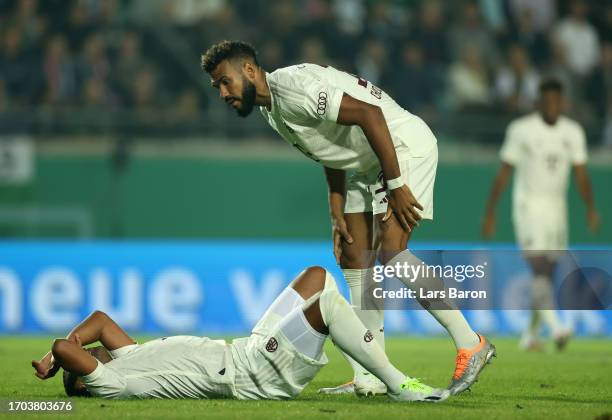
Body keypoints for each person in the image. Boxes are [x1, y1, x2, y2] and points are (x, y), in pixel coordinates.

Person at [200, 40, 495, 396]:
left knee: (392, 250)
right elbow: (331, 148)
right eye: (216, 85)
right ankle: (368, 375)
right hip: (366, 161)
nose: (221, 92)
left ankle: (470, 342)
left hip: (400, 146)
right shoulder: (271, 108)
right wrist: (335, 210)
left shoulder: (295, 89)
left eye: (224, 81)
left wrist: (397, 182)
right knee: (354, 256)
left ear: (248, 70)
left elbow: (369, 114)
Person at [32, 267, 449, 403]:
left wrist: (71, 343)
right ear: (83, 376)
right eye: (84, 357)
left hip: (246, 352)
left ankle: (364, 376)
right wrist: (57, 360)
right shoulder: (110, 384)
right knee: (326, 306)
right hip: (251, 375)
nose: (92, 349)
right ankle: (398, 383)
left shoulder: (125, 358)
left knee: (318, 277)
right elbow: (62, 348)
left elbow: (101, 320)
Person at [482, 78, 600, 350]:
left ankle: (529, 336)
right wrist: (490, 212)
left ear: (563, 103)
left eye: (556, 101)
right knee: (539, 267)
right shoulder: (521, 129)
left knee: (548, 273)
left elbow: (581, 174)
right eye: (546, 101)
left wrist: (591, 208)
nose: (552, 106)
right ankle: (557, 328)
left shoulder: (573, 132)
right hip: (529, 205)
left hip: (558, 208)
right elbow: (504, 172)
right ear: (538, 103)